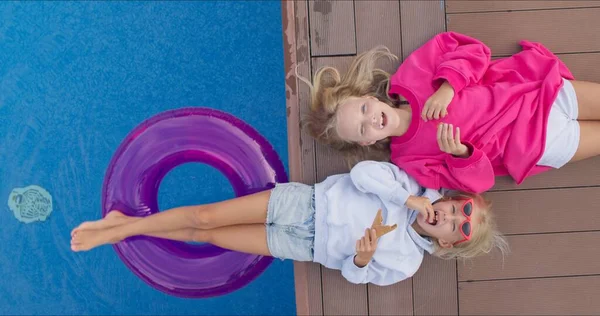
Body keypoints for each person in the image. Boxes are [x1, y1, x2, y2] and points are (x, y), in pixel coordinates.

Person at [70, 161, 506, 286]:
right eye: (458, 208)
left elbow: (357, 278)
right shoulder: (409, 185)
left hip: (304, 248)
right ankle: (120, 227)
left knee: (208, 235)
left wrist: (361, 257)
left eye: (458, 226)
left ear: (449, 245)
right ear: (450, 200)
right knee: (205, 215)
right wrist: (407, 198)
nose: (450, 217)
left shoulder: (407, 263)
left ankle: (123, 225)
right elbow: (361, 176)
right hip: (305, 206)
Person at [303, 31, 597, 193]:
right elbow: (478, 184)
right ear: (365, 142)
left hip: (536, 94)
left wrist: (448, 87)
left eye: (365, 109)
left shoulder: (412, 77)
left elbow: (471, 49)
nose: (372, 120)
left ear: (370, 97)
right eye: (363, 129)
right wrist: (461, 155)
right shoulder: (410, 160)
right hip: (538, 142)